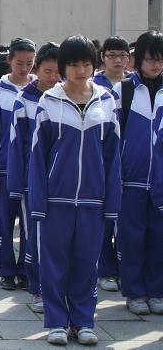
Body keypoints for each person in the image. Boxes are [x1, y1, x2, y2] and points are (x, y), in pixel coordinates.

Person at [29, 35, 121, 346]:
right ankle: (56, 320)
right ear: (63, 67)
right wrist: (38, 202)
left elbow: (113, 156)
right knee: (54, 263)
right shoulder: (49, 102)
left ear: (94, 65)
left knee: (87, 263)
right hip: (57, 199)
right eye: (74, 64)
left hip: (94, 200)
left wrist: (112, 203)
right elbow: (37, 157)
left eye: (86, 64)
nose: (80, 70)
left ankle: (83, 321)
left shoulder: (107, 101)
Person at [7, 42, 61, 314]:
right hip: (34, 180)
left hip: (65, 181)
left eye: (58, 71)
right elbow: (16, 146)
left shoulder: (70, 98)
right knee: (34, 234)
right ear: (37, 70)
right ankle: (37, 285)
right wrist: (16, 184)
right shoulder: (24, 100)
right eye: (48, 71)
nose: (53, 77)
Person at [114, 31, 163, 316]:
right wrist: (114, 175)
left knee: (159, 238)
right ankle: (134, 291)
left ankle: (157, 290)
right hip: (130, 180)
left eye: (160, 60)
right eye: (151, 59)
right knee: (132, 238)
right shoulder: (124, 91)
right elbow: (112, 137)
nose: (156, 66)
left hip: (160, 182)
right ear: (138, 60)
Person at [0, 38, 37, 291]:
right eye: (19, 63)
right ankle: (6, 270)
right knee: (4, 222)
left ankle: (26, 269)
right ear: (9, 62)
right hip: (4, 169)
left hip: (30, 170)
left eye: (29, 63)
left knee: (29, 223)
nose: (24, 68)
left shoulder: (38, 91)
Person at [91, 36, 130, 293]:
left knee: (129, 225)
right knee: (105, 220)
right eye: (112, 55)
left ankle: (127, 270)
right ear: (103, 57)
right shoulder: (94, 85)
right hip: (104, 161)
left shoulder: (134, 84)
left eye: (122, 55)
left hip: (134, 164)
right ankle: (106, 269)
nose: (117, 60)